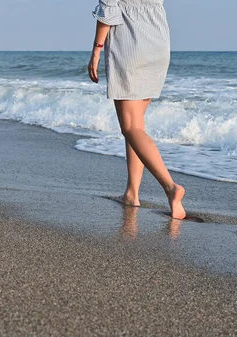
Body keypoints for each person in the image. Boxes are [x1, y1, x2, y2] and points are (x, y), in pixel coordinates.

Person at [88, 0, 186, 219]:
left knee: (131, 127)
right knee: (136, 126)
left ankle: (171, 188)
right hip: (158, 45)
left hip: (129, 47)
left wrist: (96, 50)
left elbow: (108, 11)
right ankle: (132, 193)